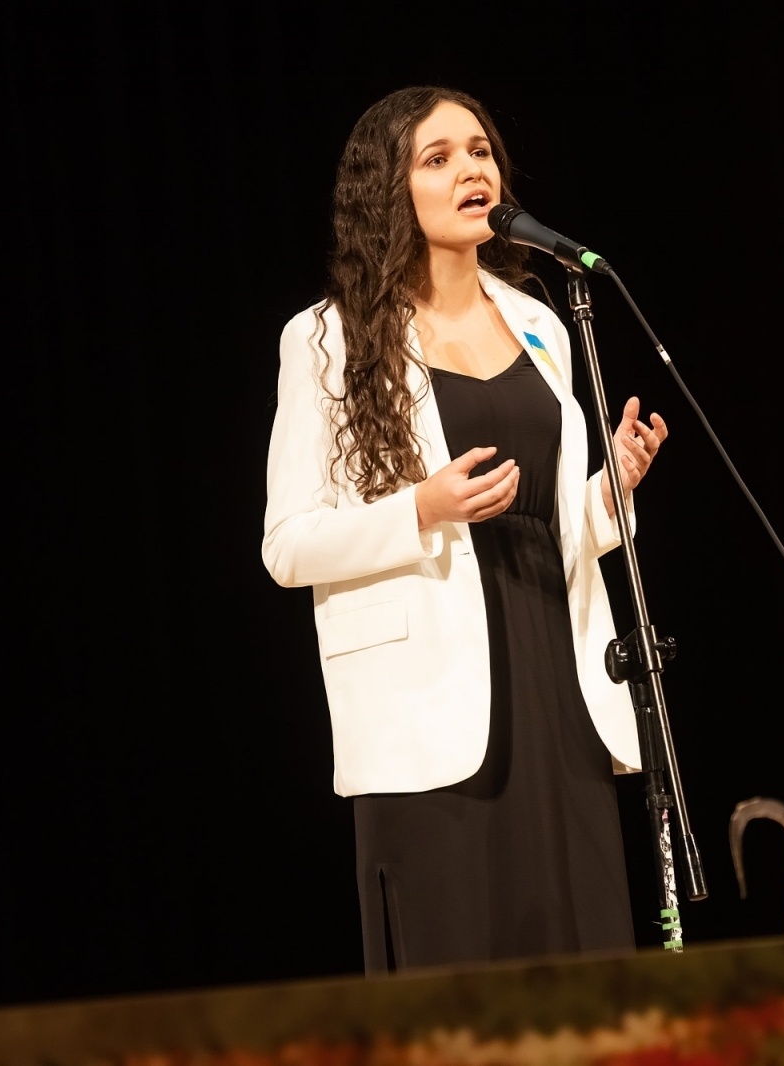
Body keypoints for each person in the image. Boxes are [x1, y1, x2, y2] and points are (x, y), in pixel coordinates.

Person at [262, 86, 669, 974]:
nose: (471, 170)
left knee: (586, 965)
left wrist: (615, 492)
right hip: (427, 705)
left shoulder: (541, 324)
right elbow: (288, 547)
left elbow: (558, 528)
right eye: (438, 157)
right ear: (389, 190)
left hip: (556, 678)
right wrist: (422, 509)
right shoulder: (329, 341)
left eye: (479, 151)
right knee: (461, 977)